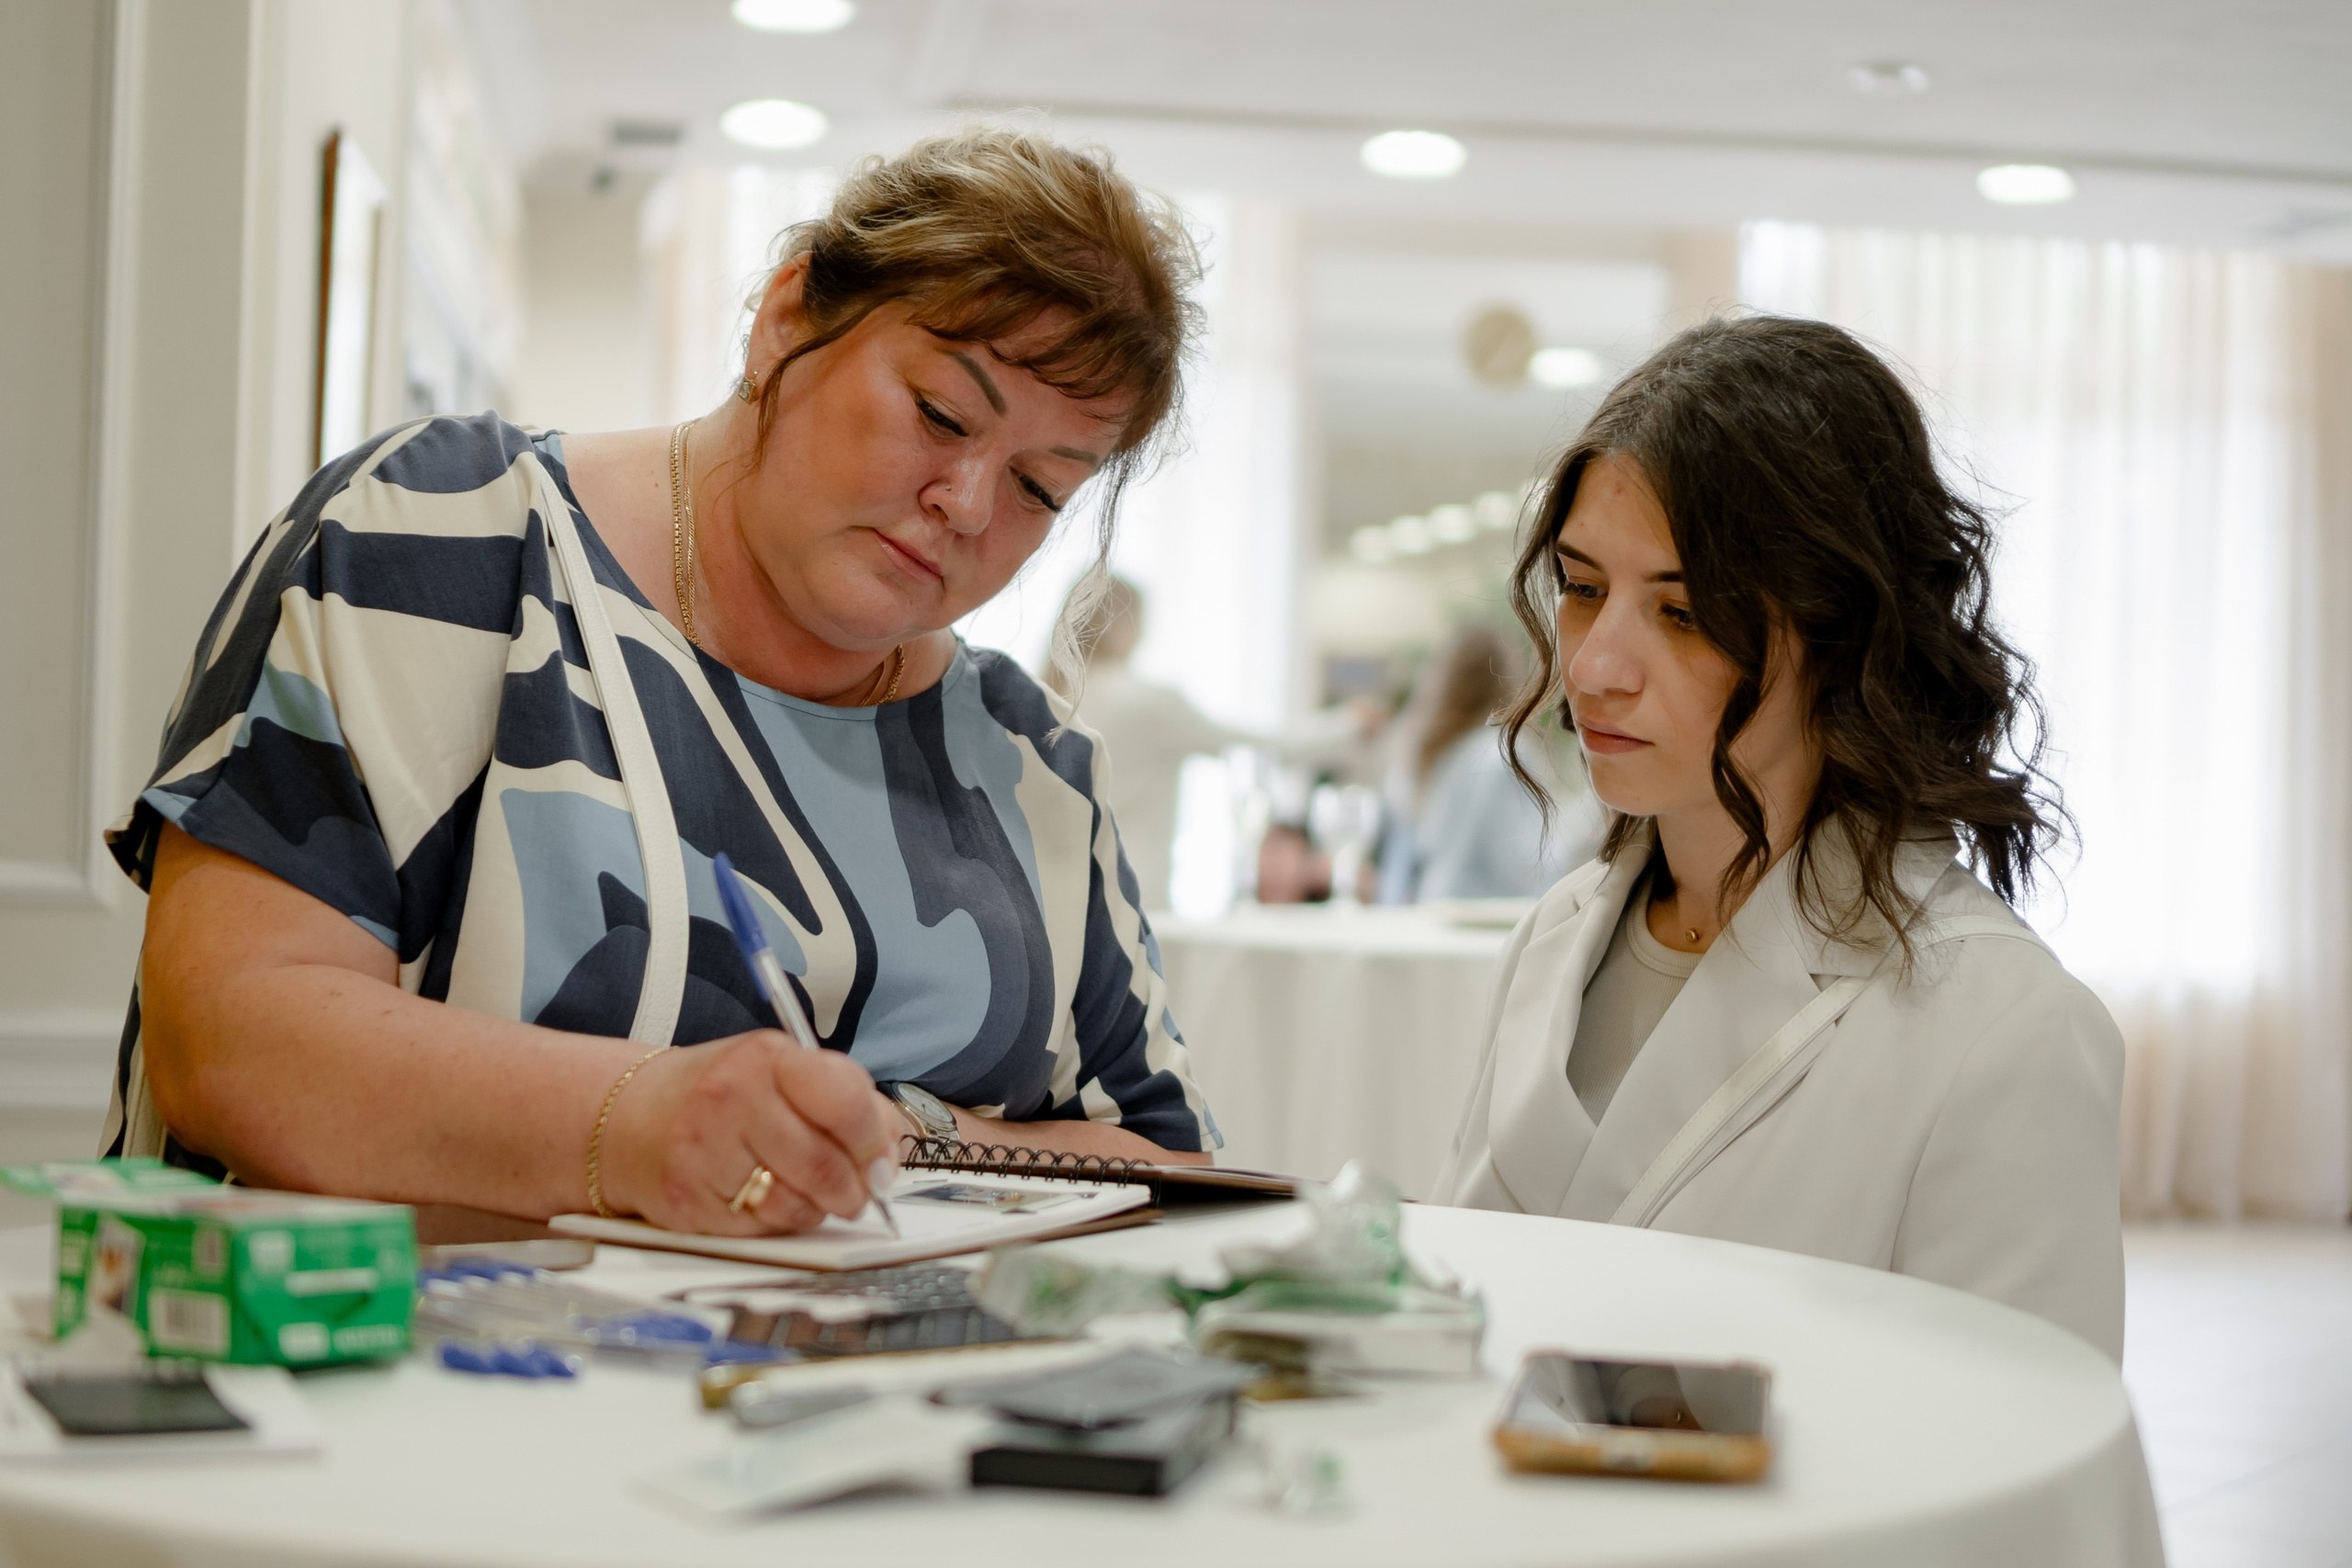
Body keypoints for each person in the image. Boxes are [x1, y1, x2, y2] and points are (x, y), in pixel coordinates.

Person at [108, 130, 1218, 1242]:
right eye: (939, 414)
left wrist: (870, 1136)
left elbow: (1169, 1165)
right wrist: (632, 1127)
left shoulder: (1029, 763)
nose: (970, 503)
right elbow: (231, 1038)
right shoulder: (440, 546)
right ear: (787, 317)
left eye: (1037, 487)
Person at [1433, 316, 2128, 1359]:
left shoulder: (2002, 1029)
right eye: (1582, 591)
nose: (1595, 667)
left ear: (1840, 625)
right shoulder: (1555, 940)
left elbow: (2016, 1462)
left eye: (1680, 611)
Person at [1048, 575, 1366, 911]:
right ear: (1127, 625)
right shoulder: (1146, 703)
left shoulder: (1047, 698)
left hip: (1059, 897)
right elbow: (1249, 742)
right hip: (1128, 899)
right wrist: (1347, 727)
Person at [1374, 626, 1600, 904]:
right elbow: (1532, 867)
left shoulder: (1433, 755)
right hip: (1488, 930)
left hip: (1434, 913)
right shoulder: (1501, 754)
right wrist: (1597, 817)